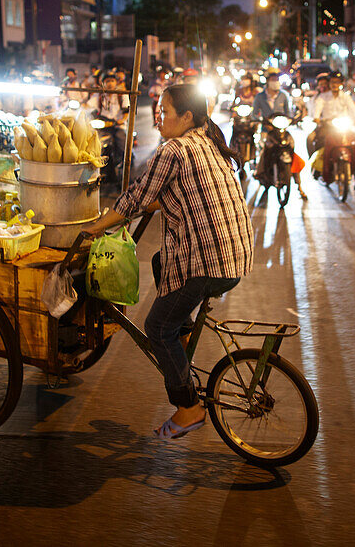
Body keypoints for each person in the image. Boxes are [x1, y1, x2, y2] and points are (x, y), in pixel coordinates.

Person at [82, 82, 253, 440]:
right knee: (162, 261)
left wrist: (97, 227)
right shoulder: (209, 141)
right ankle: (185, 334)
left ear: (186, 116)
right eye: (158, 111)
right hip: (235, 256)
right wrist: (153, 203)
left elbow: (135, 198)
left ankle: (188, 408)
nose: (159, 118)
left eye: (165, 112)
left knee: (158, 327)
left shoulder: (175, 149)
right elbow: (182, 192)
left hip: (210, 262)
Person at [252, 74, 307, 200]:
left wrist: (292, 119)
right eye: (273, 80)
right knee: (263, 151)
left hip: (282, 130)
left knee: (291, 151)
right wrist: (262, 121)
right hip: (267, 131)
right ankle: (259, 173)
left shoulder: (284, 95)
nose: (275, 82)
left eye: (277, 80)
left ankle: (299, 186)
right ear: (267, 82)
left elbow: (289, 114)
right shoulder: (260, 97)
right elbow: (255, 114)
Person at [310, 71, 355, 191]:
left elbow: (353, 109)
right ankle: (319, 169)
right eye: (332, 82)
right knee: (318, 141)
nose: (335, 84)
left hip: (343, 126)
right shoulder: (323, 96)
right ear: (329, 83)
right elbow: (318, 108)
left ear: (341, 83)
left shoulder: (345, 96)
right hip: (327, 126)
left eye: (337, 82)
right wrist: (317, 117)